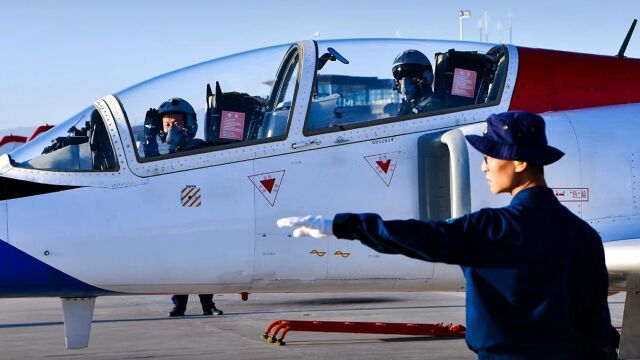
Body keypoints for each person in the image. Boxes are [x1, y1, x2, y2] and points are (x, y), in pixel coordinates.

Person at [278, 111, 614, 359]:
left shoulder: (489, 230)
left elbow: (417, 236)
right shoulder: (584, 237)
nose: (483, 166)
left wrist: (339, 225)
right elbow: (597, 329)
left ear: (519, 163)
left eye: (489, 156)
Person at [392, 49, 444, 116]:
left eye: (412, 76)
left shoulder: (433, 107)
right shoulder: (407, 107)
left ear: (426, 77)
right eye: (400, 79)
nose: (404, 83)